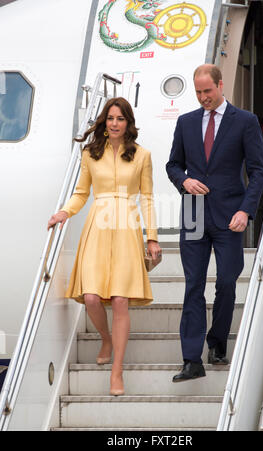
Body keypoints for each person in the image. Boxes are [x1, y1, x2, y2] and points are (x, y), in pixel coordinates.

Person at [48, 97, 161, 395]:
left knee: (121, 300)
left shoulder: (142, 155)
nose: (114, 123)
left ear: (128, 123)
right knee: (92, 297)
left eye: (120, 119)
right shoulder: (90, 153)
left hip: (126, 226)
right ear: (104, 121)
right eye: (110, 118)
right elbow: (81, 193)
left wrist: (152, 238)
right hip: (98, 225)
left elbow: (147, 198)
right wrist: (64, 212)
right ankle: (106, 338)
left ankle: (116, 372)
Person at [166, 64, 263, 382]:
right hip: (194, 212)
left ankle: (218, 343)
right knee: (194, 285)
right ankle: (191, 360)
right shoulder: (185, 122)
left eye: (207, 91)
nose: (202, 97)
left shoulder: (246, 122)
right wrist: (184, 181)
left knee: (226, 282)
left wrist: (245, 211)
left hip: (230, 216)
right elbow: (173, 164)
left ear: (221, 85)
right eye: (197, 92)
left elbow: (258, 171)